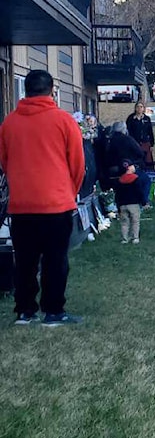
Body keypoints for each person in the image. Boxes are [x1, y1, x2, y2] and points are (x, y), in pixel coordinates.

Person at [0, 70, 85, 326]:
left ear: (25, 91)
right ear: (52, 91)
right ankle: (53, 311)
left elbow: (4, 162)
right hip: (56, 202)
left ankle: (25, 310)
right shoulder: (63, 120)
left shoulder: (9, 123)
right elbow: (77, 163)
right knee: (55, 259)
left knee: (24, 260)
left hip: (22, 204)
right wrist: (70, 191)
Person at [105, 122, 149, 244]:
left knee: (124, 221)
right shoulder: (128, 140)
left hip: (113, 171)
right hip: (127, 167)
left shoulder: (110, 141)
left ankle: (124, 238)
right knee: (145, 180)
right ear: (124, 129)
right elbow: (140, 153)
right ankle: (135, 236)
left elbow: (106, 157)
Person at [126, 101, 155, 166]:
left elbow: (150, 132)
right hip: (134, 142)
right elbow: (128, 130)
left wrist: (152, 144)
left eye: (141, 107)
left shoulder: (146, 119)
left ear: (143, 108)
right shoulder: (131, 118)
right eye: (138, 107)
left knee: (147, 160)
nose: (139, 108)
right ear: (135, 108)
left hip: (145, 142)